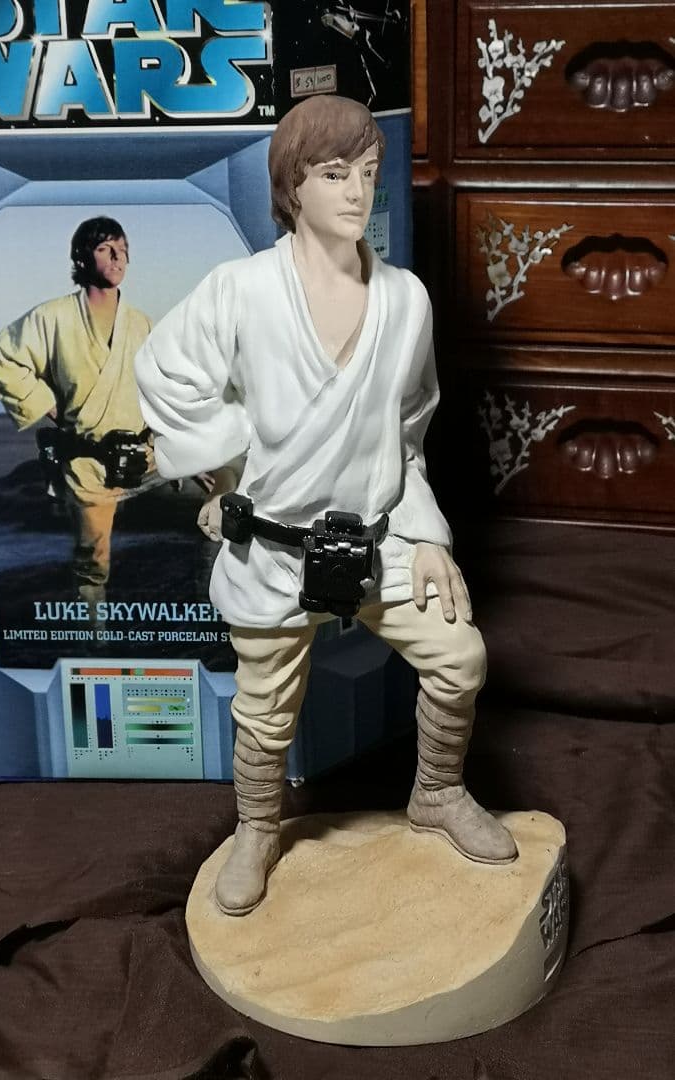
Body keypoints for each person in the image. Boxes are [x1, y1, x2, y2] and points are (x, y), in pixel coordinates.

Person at [136, 96, 517, 917]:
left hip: (378, 538)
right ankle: (256, 829)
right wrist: (228, 465)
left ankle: (437, 793)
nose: (356, 191)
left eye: (368, 173)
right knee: (265, 711)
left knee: (461, 658)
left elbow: (409, 433)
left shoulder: (405, 300)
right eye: (334, 174)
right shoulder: (241, 291)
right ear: (292, 186)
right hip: (274, 549)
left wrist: (427, 536)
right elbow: (165, 372)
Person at [0, 216, 152, 615]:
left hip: (142, 453)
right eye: (105, 249)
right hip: (87, 459)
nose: (118, 258)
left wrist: (186, 452)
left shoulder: (142, 324)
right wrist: (49, 406)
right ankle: (94, 634)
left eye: (123, 249)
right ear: (81, 258)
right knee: (93, 561)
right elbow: (3, 355)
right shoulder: (53, 318)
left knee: (224, 476)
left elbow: (160, 388)